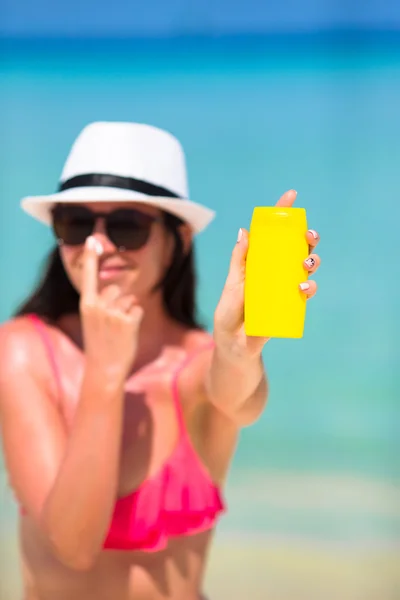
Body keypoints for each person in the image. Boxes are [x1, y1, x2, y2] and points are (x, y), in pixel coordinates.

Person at [0, 122, 321, 600]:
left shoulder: (194, 364)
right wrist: (105, 377)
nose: (97, 245)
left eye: (128, 225)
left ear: (180, 238)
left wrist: (235, 350)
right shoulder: (23, 352)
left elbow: (237, 397)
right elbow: (73, 546)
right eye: (76, 224)